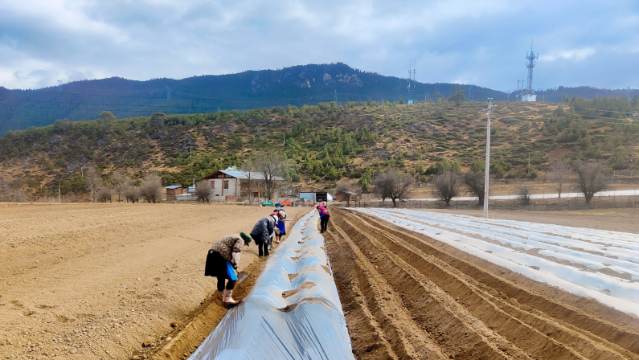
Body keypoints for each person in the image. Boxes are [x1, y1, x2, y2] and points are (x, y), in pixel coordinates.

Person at [204, 232, 252, 307]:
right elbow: (236, 250)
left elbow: (227, 253)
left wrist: (233, 264)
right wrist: (235, 262)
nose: (244, 245)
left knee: (221, 276)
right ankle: (228, 298)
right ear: (245, 241)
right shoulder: (240, 240)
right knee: (233, 278)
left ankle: (221, 296)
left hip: (211, 254)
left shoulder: (233, 237)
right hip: (219, 256)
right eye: (246, 244)